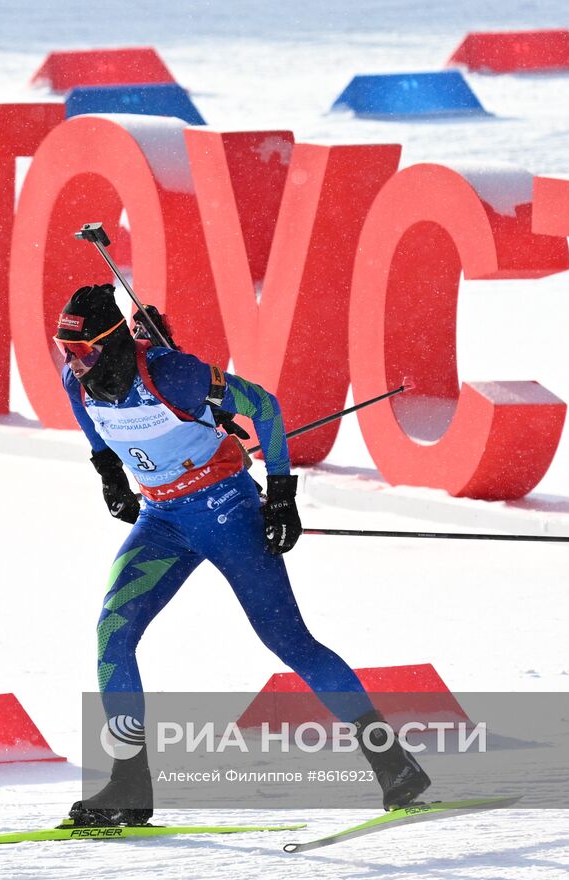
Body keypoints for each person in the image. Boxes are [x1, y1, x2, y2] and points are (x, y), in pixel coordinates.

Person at [54, 283, 430, 827]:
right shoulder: (77, 381)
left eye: (84, 352)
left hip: (226, 510)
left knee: (289, 641)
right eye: (66, 352)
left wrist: (280, 494)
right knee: (113, 631)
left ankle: (394, 765)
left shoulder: (173, 373)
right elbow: (93, 426)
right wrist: (110, 472)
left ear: (110, 343)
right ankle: (129, 785)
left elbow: (264, 407)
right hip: (163, 520)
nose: (74, 364)